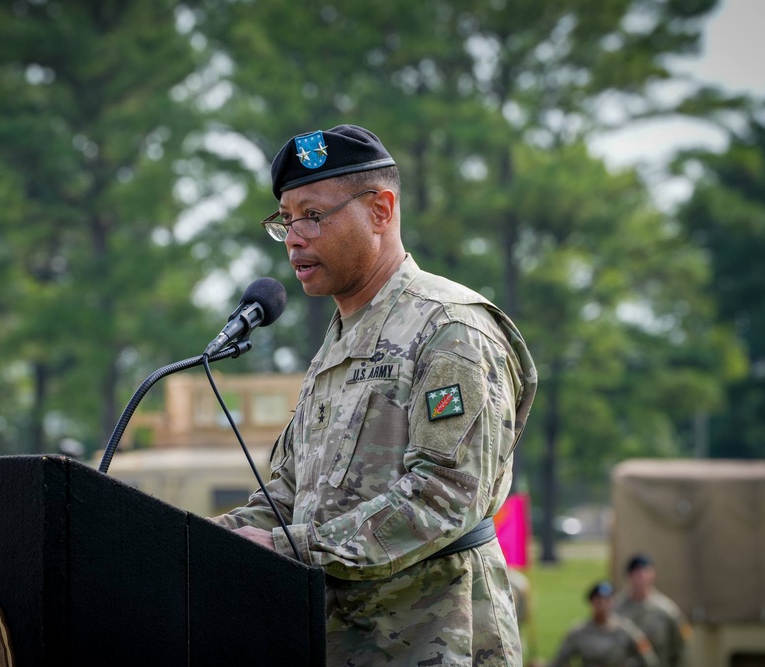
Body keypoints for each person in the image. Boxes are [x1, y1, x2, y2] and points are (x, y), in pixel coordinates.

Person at [210, 124, 538, 666]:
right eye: (286, 219)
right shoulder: (338, 344)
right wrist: (187, 540)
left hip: (434, 643)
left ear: (381, 210)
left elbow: (445, 496)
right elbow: (292, 495)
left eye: (313, 215)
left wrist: (293, 549)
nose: (294, 236)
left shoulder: (451, 329)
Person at [548, 581, 658, 667]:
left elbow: (648, 658)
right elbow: (560, 660)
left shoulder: (627, 630)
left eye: (607, 601)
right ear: (591, 603)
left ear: (613, 602)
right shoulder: (578, 632)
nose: (602, 605)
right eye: (598, 601)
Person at [613, 555, 693, 667]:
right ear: (629, 575)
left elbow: (681, 647)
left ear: (653, 574)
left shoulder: (667, 610)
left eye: (645, 571)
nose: (641, 576)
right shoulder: (615, 609)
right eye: (636, 572)